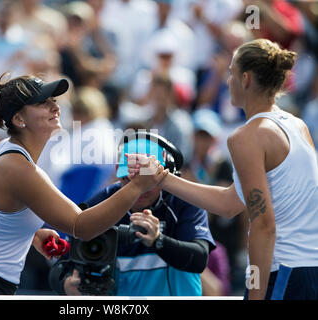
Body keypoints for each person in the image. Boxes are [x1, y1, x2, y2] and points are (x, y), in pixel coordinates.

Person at [0, 73, 168, 295]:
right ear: (18, 119)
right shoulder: (19, 169)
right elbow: (82, 226)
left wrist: (30, 232)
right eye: (42, 103)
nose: (55, 107)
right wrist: (136, 187)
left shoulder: (3, 151)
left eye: (53, 100)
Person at [127, 38, 318, 300]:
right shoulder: (297, 126)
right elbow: (230, 203)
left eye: (231, 73)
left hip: (282, 273)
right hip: (308, 271)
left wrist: (255, 294)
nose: (228, 80)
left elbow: (263, 224)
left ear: (246, 79)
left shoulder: (247, 137)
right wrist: (162, 178)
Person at [48, 132, 216, 296]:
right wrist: (67, 284)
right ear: (118, 175)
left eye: (147, 179)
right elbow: (61, 265)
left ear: (167, 176)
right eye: (129, 179)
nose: (138, 187)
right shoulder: (102, 200)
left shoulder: (184, 201)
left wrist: (158, 240)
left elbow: (199, 259)